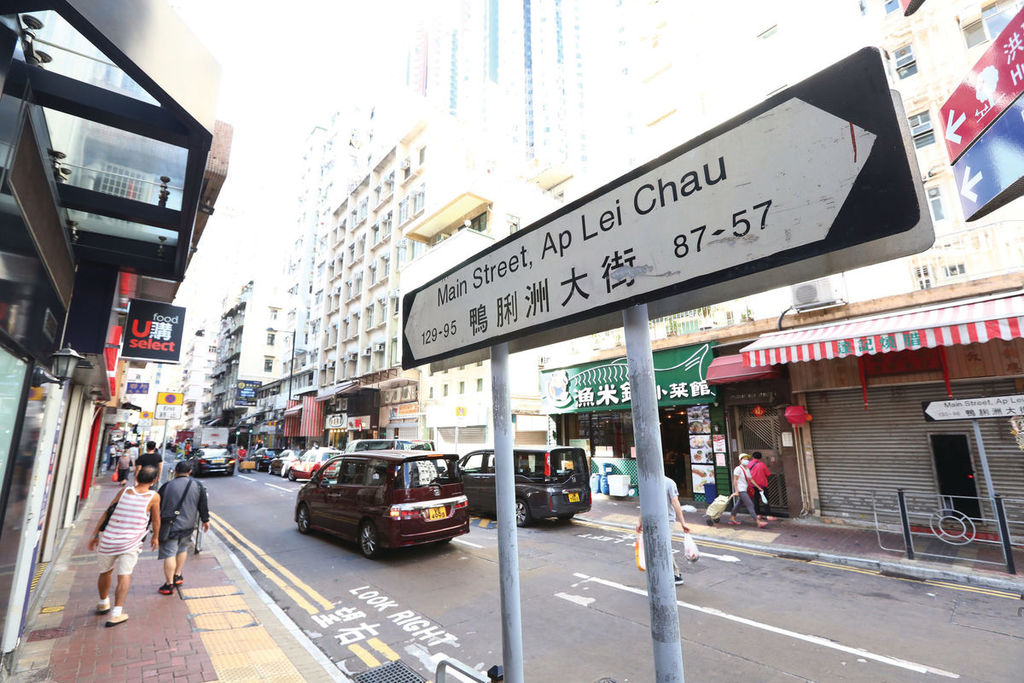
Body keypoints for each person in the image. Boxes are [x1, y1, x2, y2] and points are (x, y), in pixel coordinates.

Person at [88, 465, 161, 627]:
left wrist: (95, 534)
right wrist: (156, 537)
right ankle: (116, 613)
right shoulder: (153, 496)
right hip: (130, 542)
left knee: (105, 572)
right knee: (124, 575)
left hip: (109, 539)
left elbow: (108, 512)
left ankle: (103, 602)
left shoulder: (124, 491)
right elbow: (156, 520)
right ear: (155, 480)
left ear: (138, 476)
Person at [156, 461, 210, 595]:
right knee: (182, 549)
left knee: (170, 553)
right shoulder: (197, 485)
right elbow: (203, 504)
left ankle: (169, 584)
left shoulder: (166, 486)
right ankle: (178, 575)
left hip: (170, 526)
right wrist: (205, 520)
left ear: (175, 471)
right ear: (190, 472)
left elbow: (157, 506)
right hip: (188, 525)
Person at [636, 474, 691, 586]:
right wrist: (640, 522)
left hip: (667, 521)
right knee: (655, 547)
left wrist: (683, 523)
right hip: (652, 521)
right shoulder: (646, 483)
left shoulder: (669, 482)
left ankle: (675, 574)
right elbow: (644, 504)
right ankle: (661, 571)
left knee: (664, 546)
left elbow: (675, 502)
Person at [728, 454, 767, 528]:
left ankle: (732, 518)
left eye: (747, 459)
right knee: (750, 505)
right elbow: (735, 481)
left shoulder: (747, 469)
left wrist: (758, 487)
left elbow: (751, 479)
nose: (746, 460)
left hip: (744, 489)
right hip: (741, 490)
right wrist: (736, 491)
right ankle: (758, 522)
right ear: (740, 460)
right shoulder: (738, 469)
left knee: (738, 504)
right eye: (744, 459)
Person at [748, 452, 777, 522]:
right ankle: (768, 515)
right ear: (760, 458)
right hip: (762, 485)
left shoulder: (748, 464)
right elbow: (768, 474)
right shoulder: (762, 465)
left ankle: (757, 515)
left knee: (755, 500)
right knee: (765, 500)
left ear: (752, 457)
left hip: (752, 485)